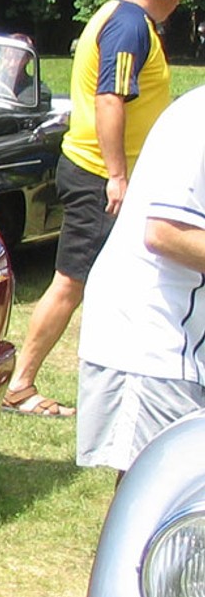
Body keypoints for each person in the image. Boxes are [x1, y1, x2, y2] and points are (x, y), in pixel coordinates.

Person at [5, 0, 194, 418]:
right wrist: (116, 176)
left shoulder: (116, 11)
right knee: (71, 281)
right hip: (97, 176)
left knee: (97, 280)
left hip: (99, 172)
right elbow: (111, 98)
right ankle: (19, 385)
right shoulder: (131, 26)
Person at [75, 85, 205, 473]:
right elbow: (165, 233)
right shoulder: (197, 120)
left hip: (184, 344)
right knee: (155, 494)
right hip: (152, 343)